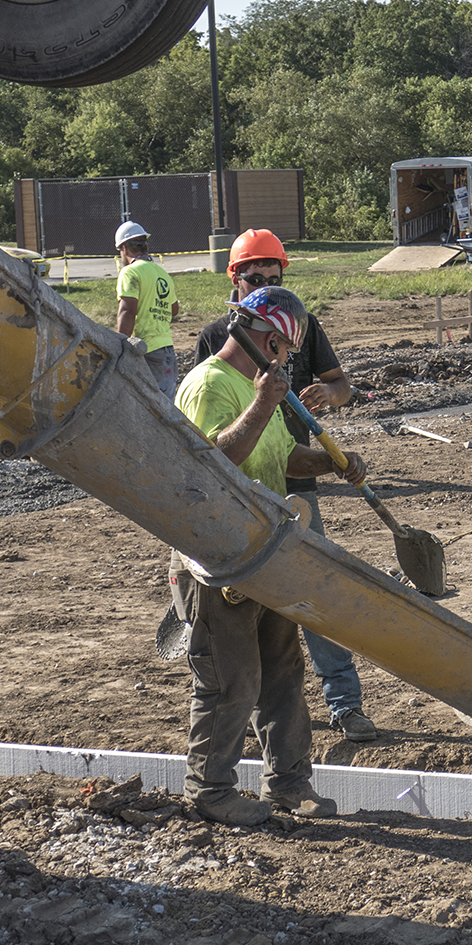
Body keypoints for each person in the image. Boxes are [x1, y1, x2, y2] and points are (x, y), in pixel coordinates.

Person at [174, 286, 368, 826]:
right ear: (267, 340)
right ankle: (209, 791)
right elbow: (214, 465)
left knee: (282, 672)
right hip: (217, 560)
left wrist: (332, 464)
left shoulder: (262, 389)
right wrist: (264, 401)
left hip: (266, 553)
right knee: (231, 679)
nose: (286, 361)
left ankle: (288, 784)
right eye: (283, 350)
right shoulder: (211, 384)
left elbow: (282, 459)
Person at [194, 229, 378, 743]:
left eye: (276, 277)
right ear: (236, 278)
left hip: (291, 470)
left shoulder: (299, 320)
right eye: (258, 278)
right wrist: (261, 403)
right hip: (240, 498)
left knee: (311, 592)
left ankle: (343, 701)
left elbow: (342, 384)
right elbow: (211, 444)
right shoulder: (216, 346)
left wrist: (332, 401)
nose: (269, 283)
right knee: (247, 615)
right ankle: (251, 714)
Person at [114, 221, 180, 395]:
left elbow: (128, 311)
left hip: (146, 351)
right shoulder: (162, 274)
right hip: (168, 352)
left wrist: (120, 345)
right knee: (166, 408)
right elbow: (174, 309)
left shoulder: (130, 272)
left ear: (124, 249)